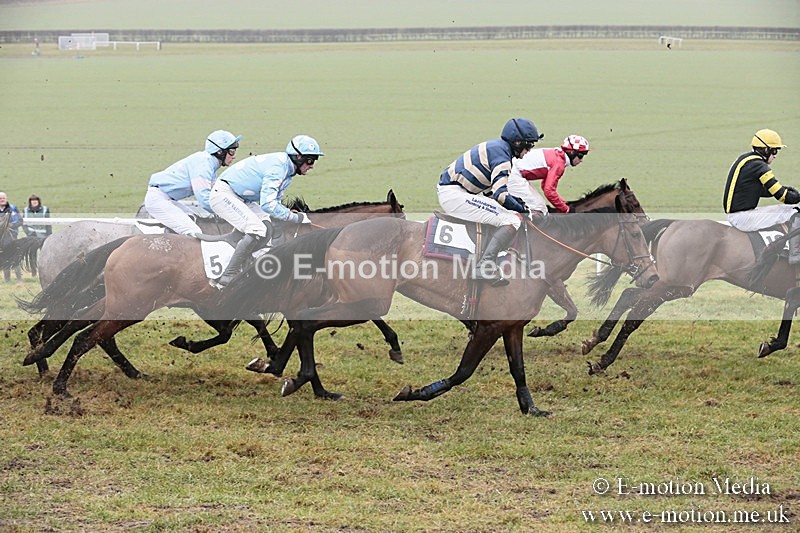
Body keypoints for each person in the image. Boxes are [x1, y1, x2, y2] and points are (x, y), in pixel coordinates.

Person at [437, 117, 543, 285]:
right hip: (454, 195)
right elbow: (500, 195)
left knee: (508, 213)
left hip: (455, 192)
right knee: (512, 220)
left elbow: (491, 193)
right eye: (528, 145)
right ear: (517, 142)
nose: (529, 150)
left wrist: (518, 204)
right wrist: (525, 211)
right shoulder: (502, 158)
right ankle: (485, 266)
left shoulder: (498, 148)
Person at [208, 134, 323, 288]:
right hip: (224, 195)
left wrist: (290, 215)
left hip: (241, 198)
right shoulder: (278, 168)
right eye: (310, 160)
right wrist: (297, 218)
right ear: (298, 157)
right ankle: (228, 275)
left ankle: (247, 263)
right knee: (257, 229)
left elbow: (273, 204)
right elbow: (268, 204)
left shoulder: (288, 171)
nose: (312, 165)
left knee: (267, 226)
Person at [144, 129, 241, 237]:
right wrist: (230, 213)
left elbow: (216, 194)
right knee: (193, 231)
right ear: (220, 152)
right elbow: (205, 200)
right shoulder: (203, 165)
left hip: (167, 198)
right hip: (158, 199)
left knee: (194, 220)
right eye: (231, 151)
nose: (234, 156)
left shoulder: (210, 164)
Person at [723, 129, 800, 263]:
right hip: (742, 217)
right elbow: (781, 196)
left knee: (790, 208)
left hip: (739, 213)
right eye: (775, 150)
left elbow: (763, 191)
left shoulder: (746, 159)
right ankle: (796, 255)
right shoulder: (759, 166)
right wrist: (794, 196)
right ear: (765, 149)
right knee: (795, 211)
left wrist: (788, 191)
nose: (775, 155)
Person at [508, 134, 590, 217]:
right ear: (572, 153)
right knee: (539, 208)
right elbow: (549, 191)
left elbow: (545, 186)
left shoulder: (558, 155)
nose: (581, 160)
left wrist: (563, 204)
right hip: (514, 173)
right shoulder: (559, 163)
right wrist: (566, 209)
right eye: (580, 156)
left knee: (540, 205)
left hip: (514, 170)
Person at [0, 192, 23, 282]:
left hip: (12, 237)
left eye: (3, 198)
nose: (2, 200)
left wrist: (11, 226)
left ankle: (19, 279)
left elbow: (20, 221)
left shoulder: (13, 208)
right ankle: (7, 280)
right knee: (4, 257)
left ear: (6, 199)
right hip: (1, 239)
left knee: (15, 257)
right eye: (0, 198)